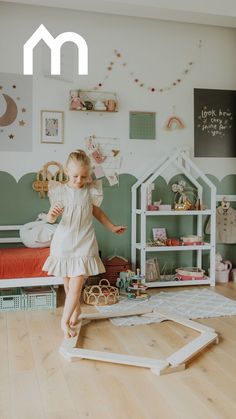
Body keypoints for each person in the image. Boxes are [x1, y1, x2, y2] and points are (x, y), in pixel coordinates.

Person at [43, 150, 126, 338]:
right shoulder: (60, 191)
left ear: (89, 174)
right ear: (66, 171)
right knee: (67, 281)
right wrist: (52, 215)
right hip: (63, 241)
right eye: (75, 176)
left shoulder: (90, 191)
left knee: (77, 283)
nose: (79, 180)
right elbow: (49, 218)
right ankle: (76, 310)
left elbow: (97, 213)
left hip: (84, 240)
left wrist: (112, 227)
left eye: (84, 176)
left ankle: (63, 322)